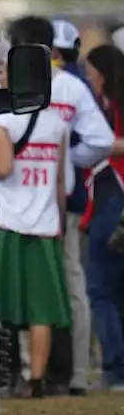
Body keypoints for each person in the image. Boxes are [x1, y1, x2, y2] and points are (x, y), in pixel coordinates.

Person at [0, 60, 73, 399]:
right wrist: (59, 221)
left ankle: (9, 375)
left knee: (4, 304)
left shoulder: (1, 120)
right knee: (42, 309)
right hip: (45, 223)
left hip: (9, 219)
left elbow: (2, 167)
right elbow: (60, 181)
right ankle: (37, 379)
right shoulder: (57, 122)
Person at [49, 19, 93, 395]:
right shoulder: (81, 85)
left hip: (40, 201)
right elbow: (96, 142)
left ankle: (55, 371)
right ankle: (75, 372)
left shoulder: (67, 85)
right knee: (72, 283)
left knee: (53, 284)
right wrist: (71, 161)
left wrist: (60, 161)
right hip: (70, 199)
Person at [81, 45, 124, 391]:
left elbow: (109, 145)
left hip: (113, 195)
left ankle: (114, 368)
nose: (88, 77)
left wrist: (99, 143)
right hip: (112, 196)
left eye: (92, 71)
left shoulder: (110, 107)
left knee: (100, 290)